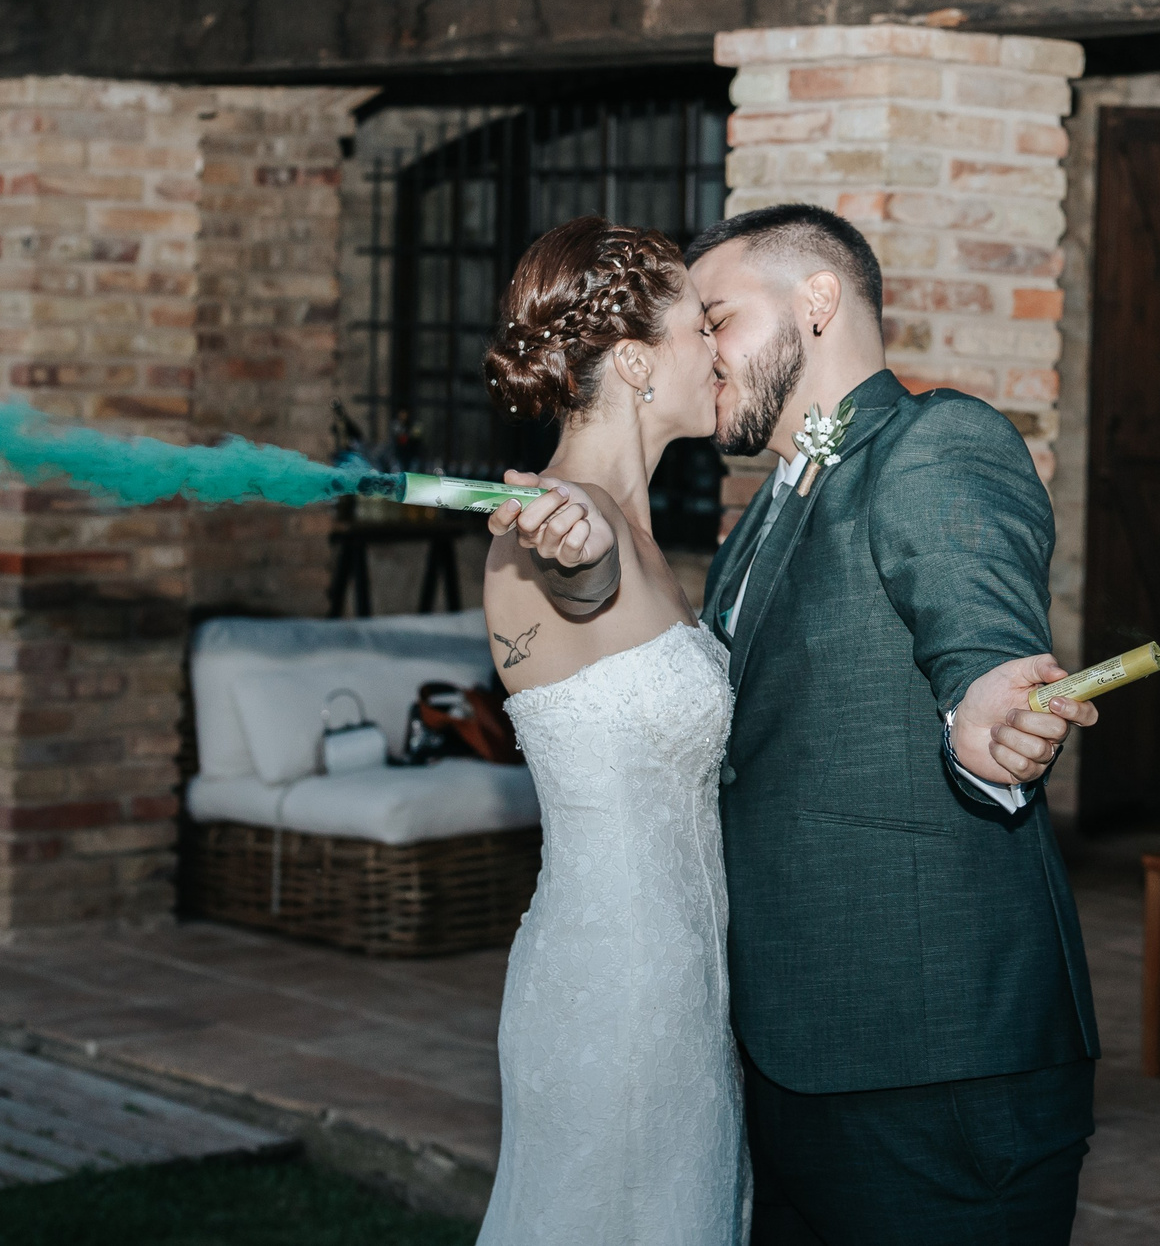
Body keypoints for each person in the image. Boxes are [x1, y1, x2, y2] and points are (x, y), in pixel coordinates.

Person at [687, 203, 1102, 1246]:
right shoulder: (772, 498)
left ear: (818, 302)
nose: (701, 352)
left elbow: (975, 625)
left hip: (929, 1046)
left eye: (717, 318)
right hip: (798, 1036)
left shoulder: (936, 441)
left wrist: (988, 706)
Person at [471, 218, 746, 1245]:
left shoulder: (644, 530)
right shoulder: (550, 524)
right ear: (634, 360)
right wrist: (575, 552)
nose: (717, 349)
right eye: (699, 326)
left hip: (686, 977)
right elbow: (576, 583)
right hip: (616, 992)